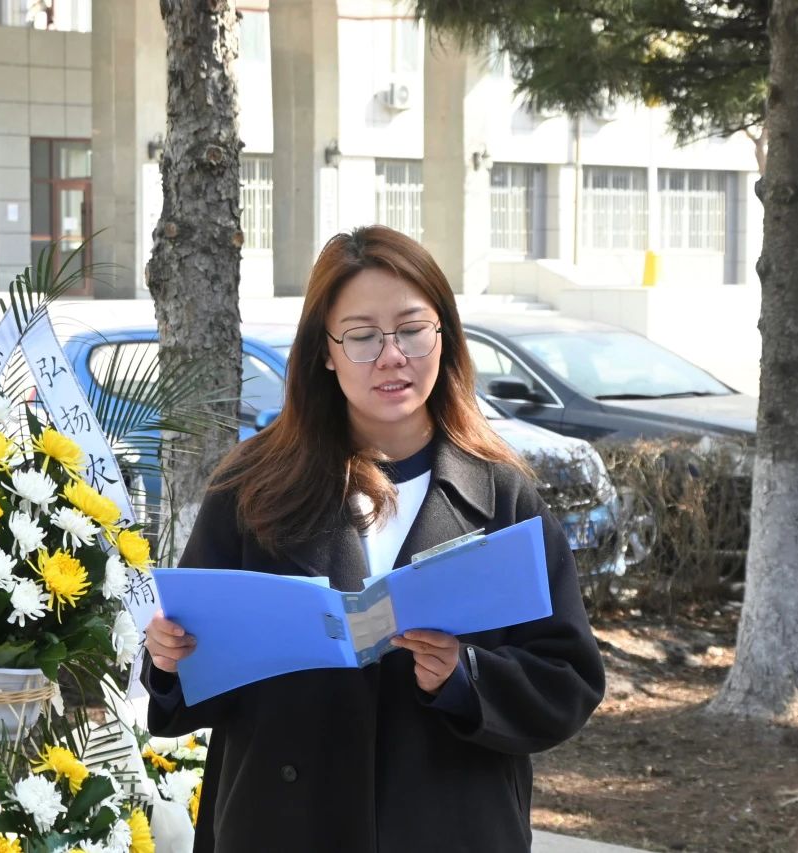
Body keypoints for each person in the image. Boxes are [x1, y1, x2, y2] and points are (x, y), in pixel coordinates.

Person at [142, 225, 606, 853]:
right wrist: (169, 659)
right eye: (362, 336)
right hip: (284, 823)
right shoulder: (252, 485)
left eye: (412, 330)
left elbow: (568, 678)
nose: (392, 356)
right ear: (325, 352)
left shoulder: (502, 493)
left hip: (451, 826)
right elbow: (191, 673)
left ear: (444, 336)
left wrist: (464, 676)